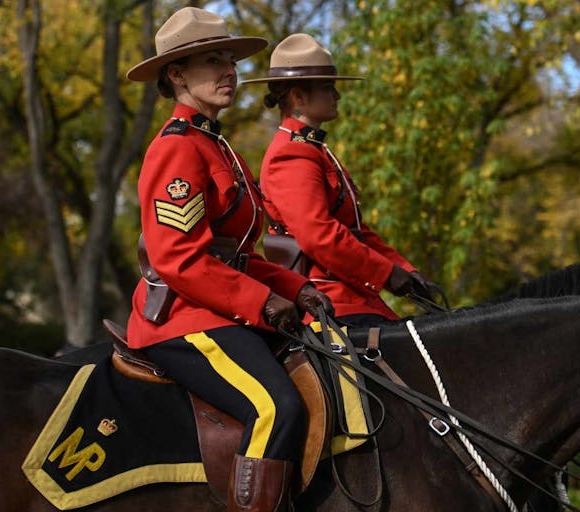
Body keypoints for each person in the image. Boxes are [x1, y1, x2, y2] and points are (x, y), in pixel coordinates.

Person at [125, 9, 332, 511]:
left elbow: (235, 254)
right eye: (213, 61)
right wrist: (263, 302)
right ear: (176, 75)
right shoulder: (177, 150)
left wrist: (294, 287)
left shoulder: (218, 147)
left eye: (231, 61)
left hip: (218, 308)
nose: (229, 71)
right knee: (276, 407)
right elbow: (179, 260)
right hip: (182, 319)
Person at [242, 33, 440, 328]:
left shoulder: (314, 149)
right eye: (327, 87)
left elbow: (357, 231)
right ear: (298, 97)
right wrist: (387, 275)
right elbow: (319, 235)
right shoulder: (291, 154)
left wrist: (406, 271)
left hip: (354, 293)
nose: (337, 96)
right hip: (326, 299)